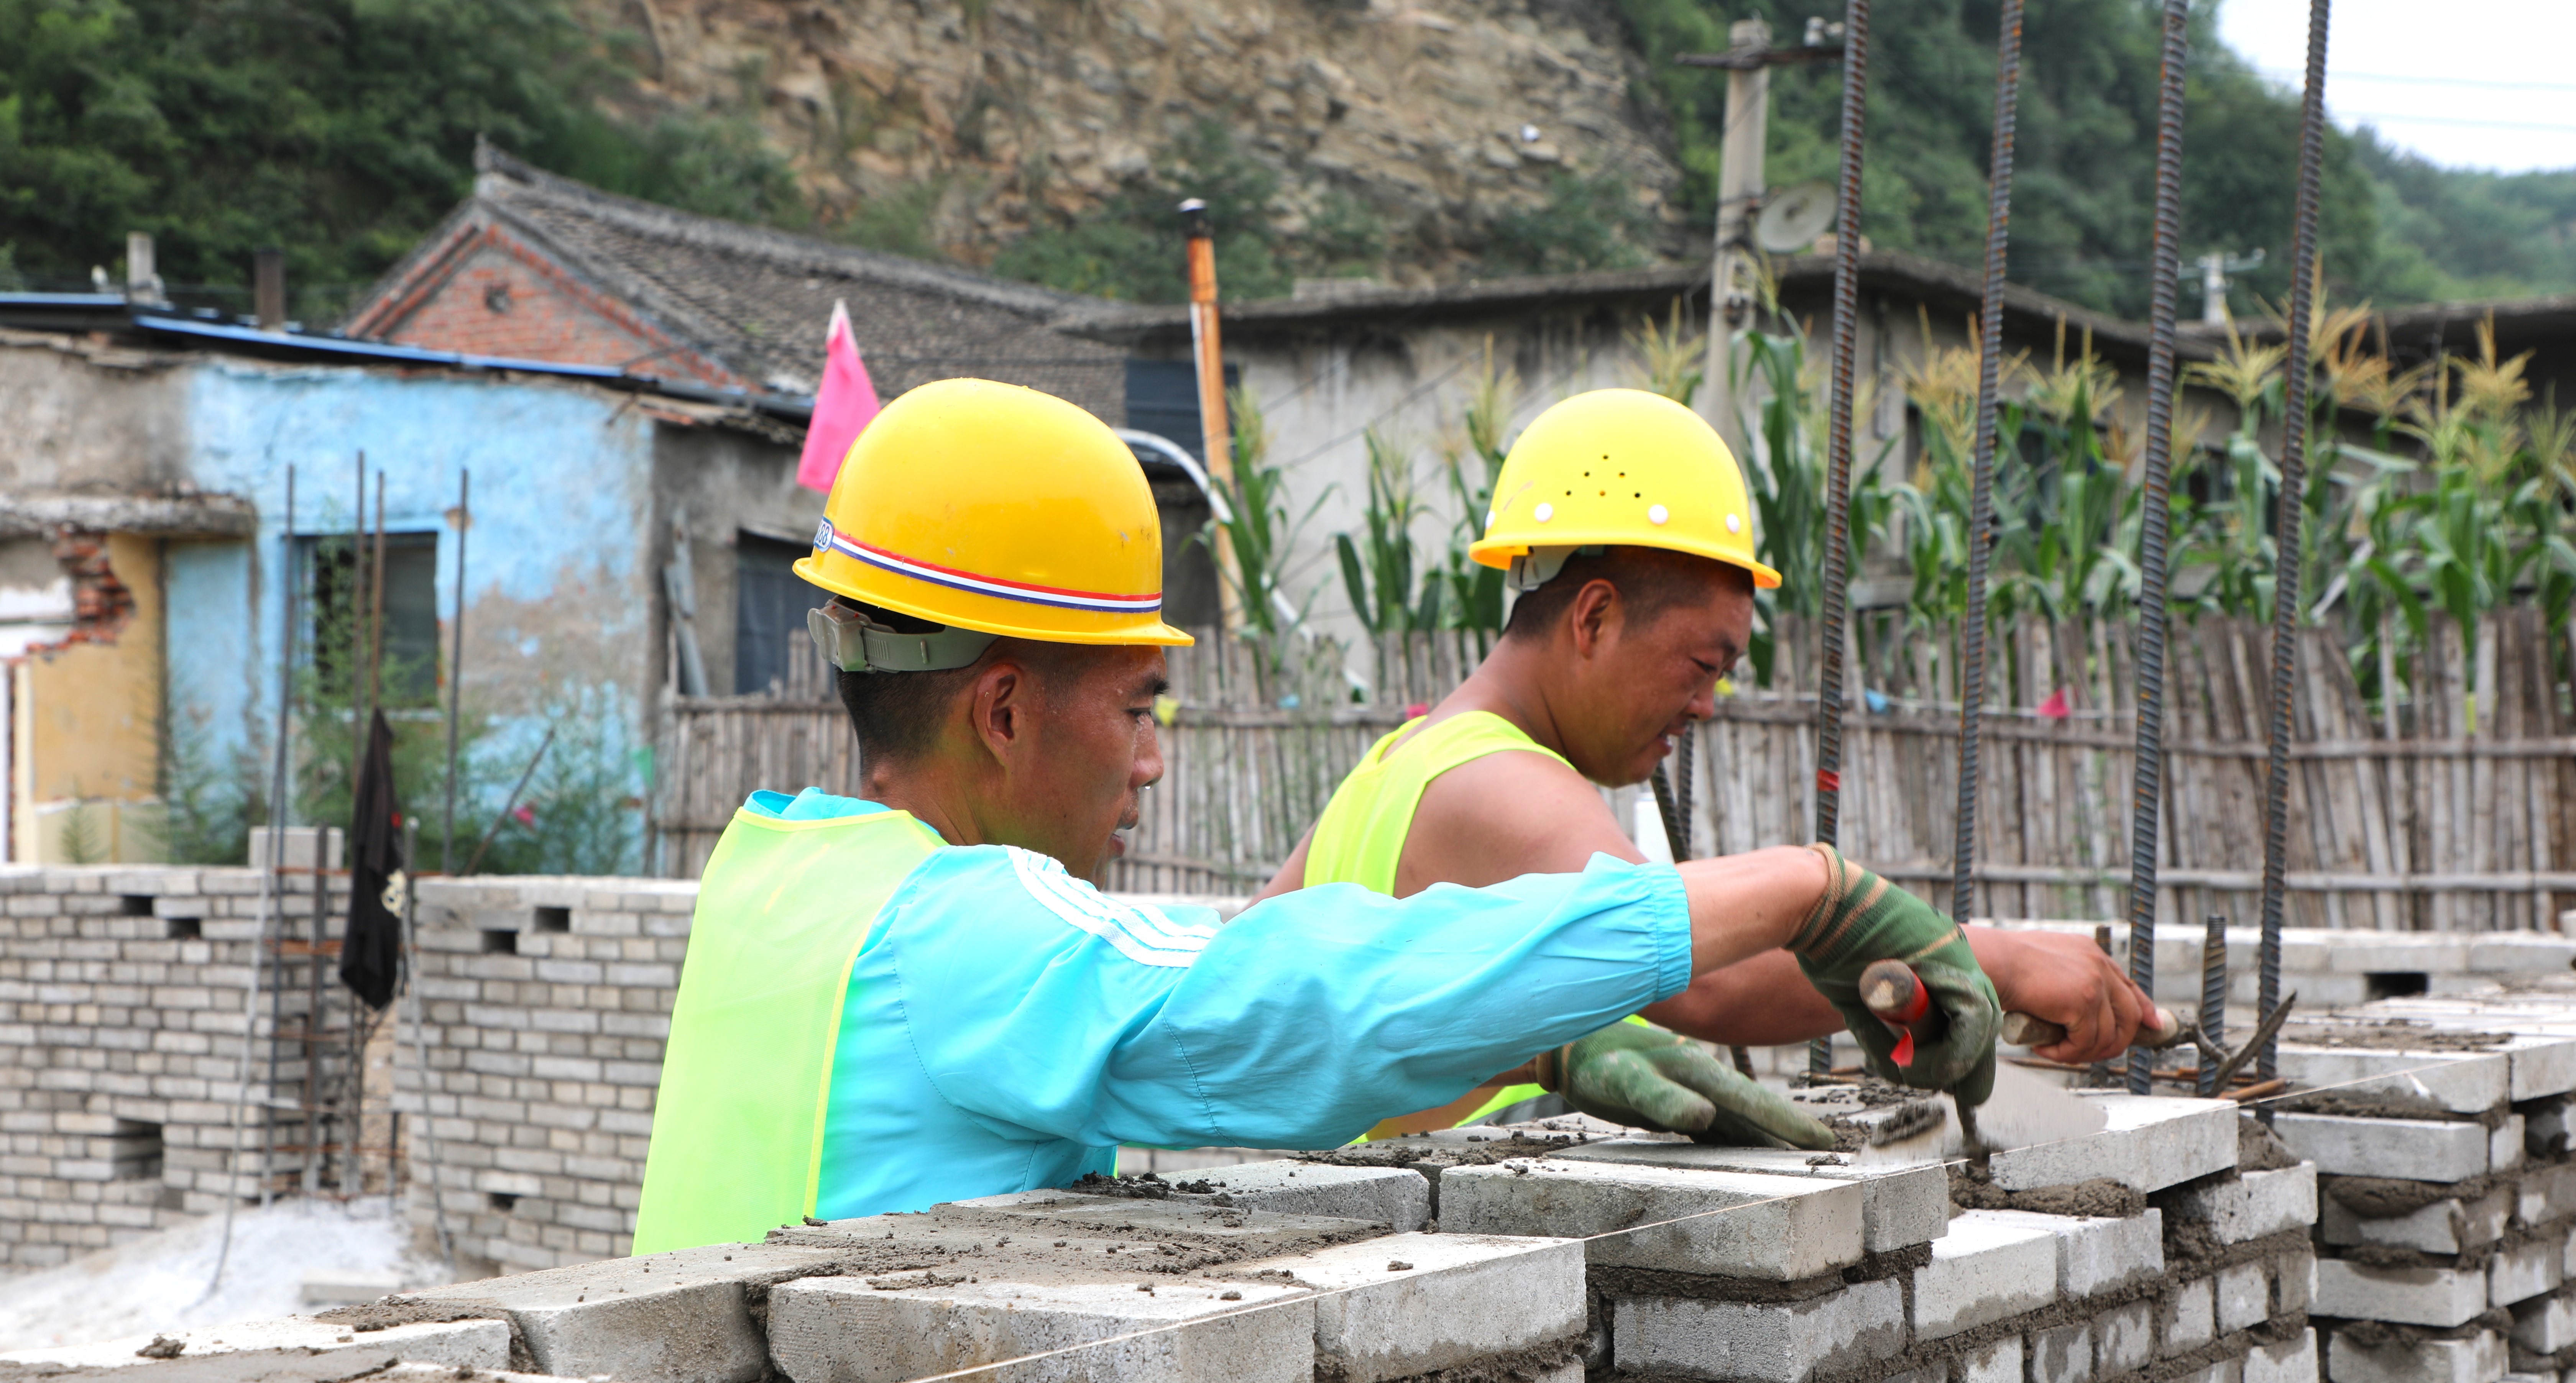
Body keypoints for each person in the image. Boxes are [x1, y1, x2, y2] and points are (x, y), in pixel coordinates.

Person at [629, 379, 2001, 1255]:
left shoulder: (775, 874)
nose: (1153, 765)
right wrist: (1803, 888)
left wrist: (1540, 1057)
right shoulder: (959, 931)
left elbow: (1205, 963)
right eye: (1140, 707)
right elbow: (1303, 999)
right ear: (1001, 712)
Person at [1255, 387, 2168, 1141]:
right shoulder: (1507, 783)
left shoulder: (1395, 765)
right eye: (1703, 666)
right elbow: (1706, 979)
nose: (1705, 708)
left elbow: (1240, 988)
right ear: (1594, 618)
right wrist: (1989, 960)